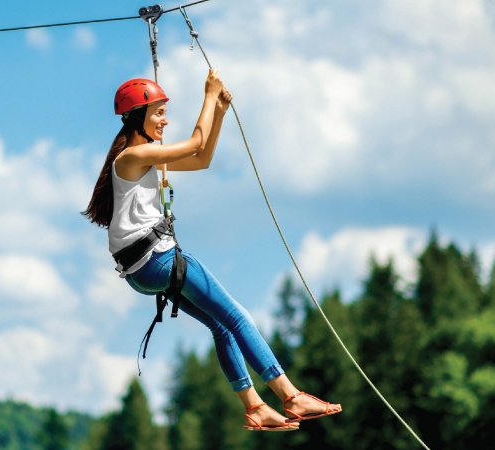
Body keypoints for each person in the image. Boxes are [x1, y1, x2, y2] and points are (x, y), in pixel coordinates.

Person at [83, 69, 341, 431]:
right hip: (157, 261)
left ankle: (254, 406)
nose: (164, 119)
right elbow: (192, 144)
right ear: (137, 117)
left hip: (141, 271)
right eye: (158, 112)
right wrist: (208, 95)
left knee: (221, 326)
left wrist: (218, 112)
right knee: (237, 316)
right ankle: (289, 394)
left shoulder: (141, 157)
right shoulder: (132, 155)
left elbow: (201, 159)